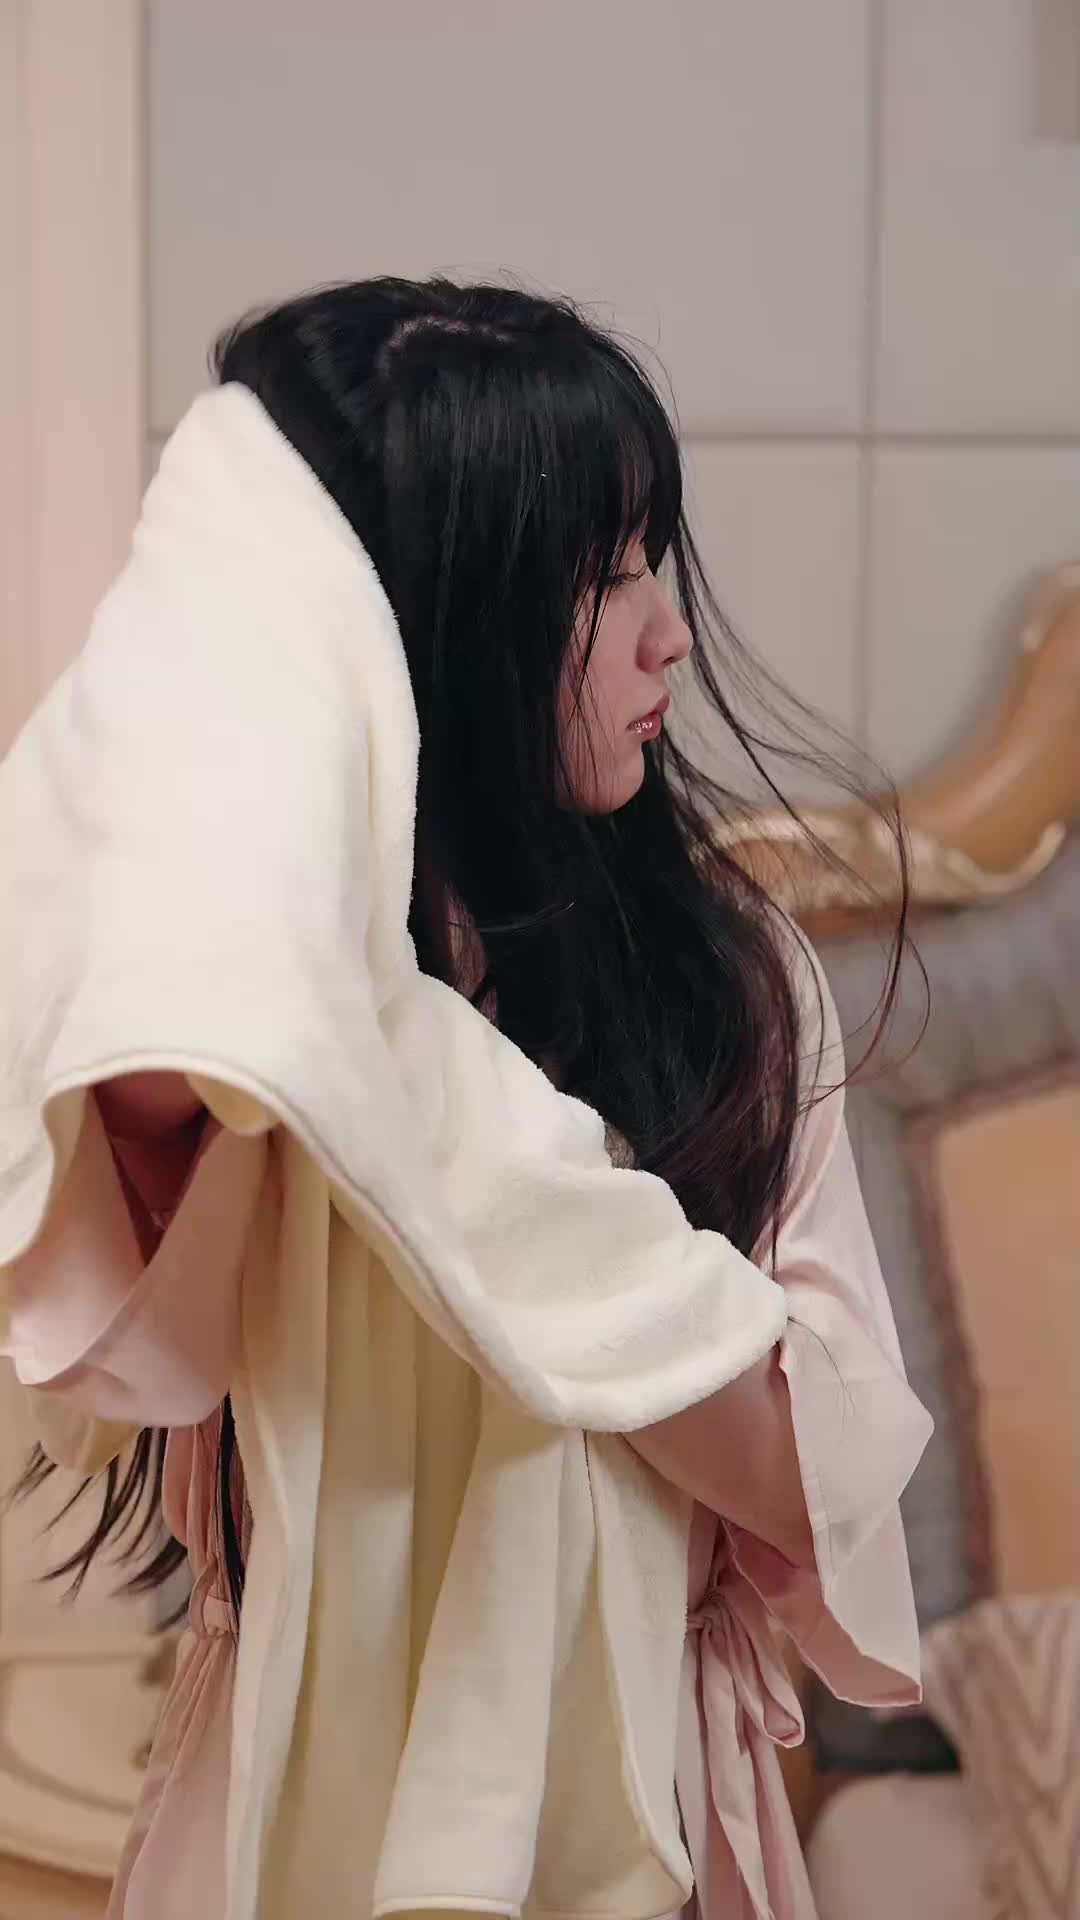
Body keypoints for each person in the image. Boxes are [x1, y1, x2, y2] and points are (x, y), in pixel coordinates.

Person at [4, 279, 931, 1920]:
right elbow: (127, 1140)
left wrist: (468, 1172)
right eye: (603, 573)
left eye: (654, 557)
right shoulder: (240, 1039)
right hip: (285, 1825)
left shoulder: (734, 983)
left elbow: (818, 1479)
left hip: (658, 1821)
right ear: (434, 614)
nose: (668, 634)